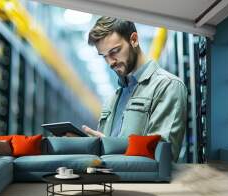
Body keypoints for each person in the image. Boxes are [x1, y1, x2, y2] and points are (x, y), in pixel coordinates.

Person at [80, 16, 187, 162]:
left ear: (134, 40)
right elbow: (105, 147)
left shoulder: (168, 86)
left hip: (141, 184)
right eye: (104, 56)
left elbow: (162, 154)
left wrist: (111, 145)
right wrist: (85, 144)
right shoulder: (113, 98)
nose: (110, 62)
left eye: (114, 51)